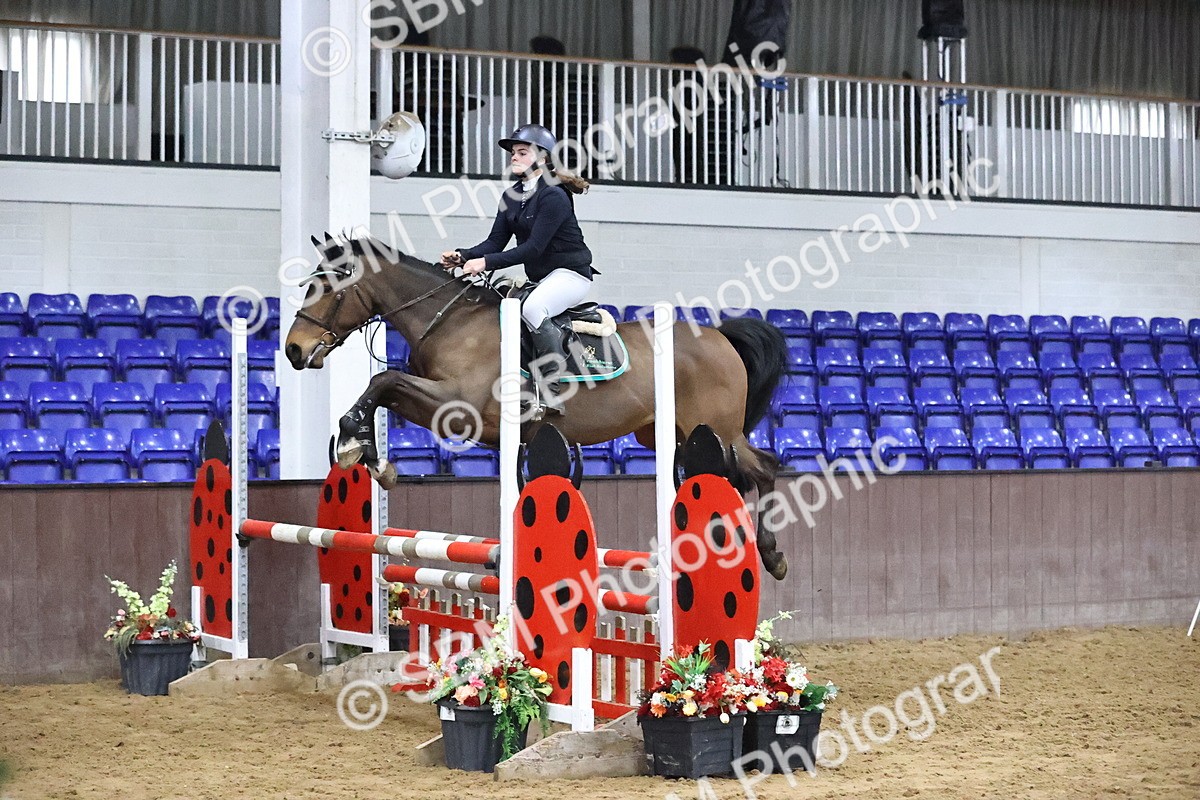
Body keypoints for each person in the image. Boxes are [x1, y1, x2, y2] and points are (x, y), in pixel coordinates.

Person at [440, 124, 594, 413]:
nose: (514, 157)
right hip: (542, 278)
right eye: (513, 152)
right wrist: (463, 256)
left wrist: (484, 263)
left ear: (543, 158)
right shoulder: (512, 194)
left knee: (533, 309)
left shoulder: (554, 196)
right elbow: (495, 242)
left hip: (571, 275)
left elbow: (533, 248)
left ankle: (551, 391)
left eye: (522, 152)